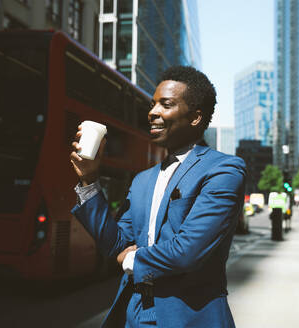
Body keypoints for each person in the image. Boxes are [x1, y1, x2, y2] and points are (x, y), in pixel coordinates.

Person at [69, 66, 246, 327]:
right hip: (135, 313)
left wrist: (132, 258)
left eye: (166, 104)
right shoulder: (142, 179)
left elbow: (188, 251)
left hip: (189, 317)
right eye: (153, 104)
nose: (152, 112)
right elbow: (116, 244)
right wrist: (89, 180)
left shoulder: (224, 170)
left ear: (196, 117)